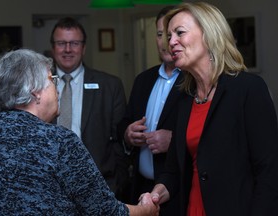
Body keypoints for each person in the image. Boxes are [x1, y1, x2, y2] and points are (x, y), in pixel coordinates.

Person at [144, 2, 278, 216]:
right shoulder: (184, 99)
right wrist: (155, 194)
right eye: (169, 36)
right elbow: (173, 171)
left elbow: (269, 172)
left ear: (208, 34)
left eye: (179, 33)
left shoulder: (248, 89)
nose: (171, 42)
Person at [0, 49, 159, 215]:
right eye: (52, 80)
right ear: (35, 92)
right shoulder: (58, 141)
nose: (57, 89)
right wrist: (146, 210)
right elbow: (105, 212)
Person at [50, 17, 128, 198]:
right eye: (61, 43)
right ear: (53, 48)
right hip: (49, 185)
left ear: (83, 48)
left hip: (99, 185)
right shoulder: (38, 86)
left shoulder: (110, 85)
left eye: (74, 43)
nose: (68, 49)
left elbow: (120, 140)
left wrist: (119, 181)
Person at [118, 6, 183, 215]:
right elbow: (124, 121)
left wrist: (174, 141)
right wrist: (128, 134)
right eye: (160, 34)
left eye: (173, 34)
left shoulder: (195, 82)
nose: (166, 41)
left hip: (179, 192)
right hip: (141, 189)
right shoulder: (143, 80)